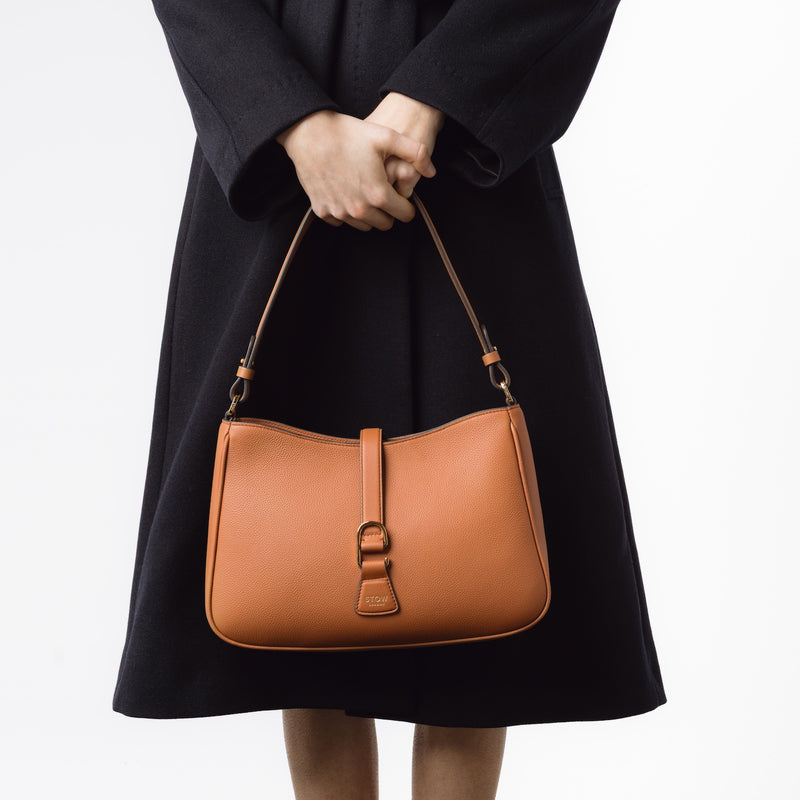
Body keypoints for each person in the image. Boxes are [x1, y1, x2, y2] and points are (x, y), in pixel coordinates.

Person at [113, 2, 666, 798]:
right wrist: (291, 120)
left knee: (482, 548)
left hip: (465, 162)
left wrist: (441, 93)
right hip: (284, 168)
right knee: (294, 562)